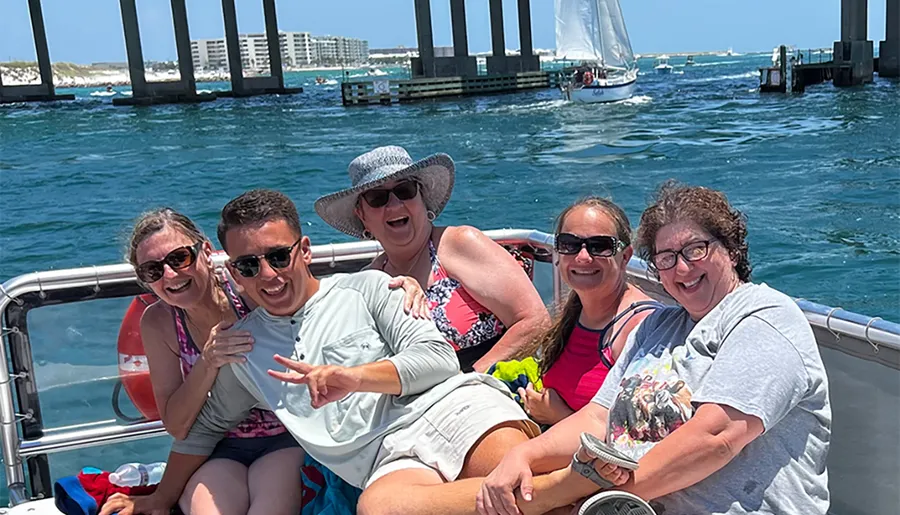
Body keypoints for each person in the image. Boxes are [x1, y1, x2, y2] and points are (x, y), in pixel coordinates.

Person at [102, 189, 539, 515]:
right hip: (386, 456)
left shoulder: (368, 287)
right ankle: (566, 486)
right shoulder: (244, 344)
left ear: (305, 250)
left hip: (451, 412)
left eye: (278, 257)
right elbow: (201, 428)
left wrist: (353, 377)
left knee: (518, 484)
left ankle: (560, 491)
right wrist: (160, 498)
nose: (269, 275)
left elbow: (439, 360)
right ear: (234, 271)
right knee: (380, 508)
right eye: (251, 266)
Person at [477, 181, 831, 515]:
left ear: (732, 249)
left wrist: (600, 500)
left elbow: (717, 437)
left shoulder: (764, 318)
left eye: (696, 249)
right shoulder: (656, 328)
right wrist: (525, 455)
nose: (682, 267)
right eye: (666, 257)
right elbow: (598, 417)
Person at [123, 208, 304, 515]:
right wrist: (208, 362)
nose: (169, 275)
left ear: (206, 251)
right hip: (218, 448)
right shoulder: (158, 322)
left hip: (286, 438)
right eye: (153, 271)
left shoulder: (251, 292)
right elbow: (177, 424)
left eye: (179, 258)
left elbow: (312, 296)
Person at [314, 146, 549, 373]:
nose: (395, 204)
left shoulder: (459, 244)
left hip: (484, 388)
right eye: (377, 197)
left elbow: (535, 321)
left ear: (422, 197)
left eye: (404, 190)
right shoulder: (371, 279)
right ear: (362, 215)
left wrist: (471, 380)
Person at [515, 197, 661, 427]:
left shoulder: (640, 328)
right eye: (569, 244)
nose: (583, 257)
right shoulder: (575, 312)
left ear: (625, 257)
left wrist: (559, 417)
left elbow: (644, 436)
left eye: (599, 246)